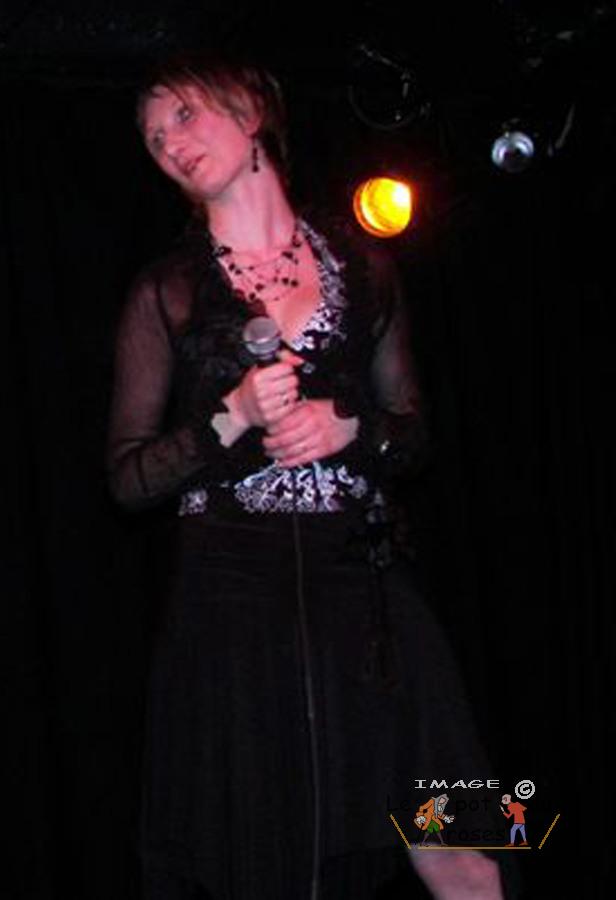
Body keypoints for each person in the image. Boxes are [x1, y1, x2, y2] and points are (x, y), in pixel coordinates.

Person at [107, 56, 502, 898]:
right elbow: (128, 479)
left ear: (250, 112)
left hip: (366, 578)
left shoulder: (365, 267)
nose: (169, 143)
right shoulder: (166, 291)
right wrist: (231, 417)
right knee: (263, 845)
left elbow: (416, 433)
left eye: (184, 116)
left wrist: (350, 426)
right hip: (232, 589)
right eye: (153, 137)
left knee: (464, 831)